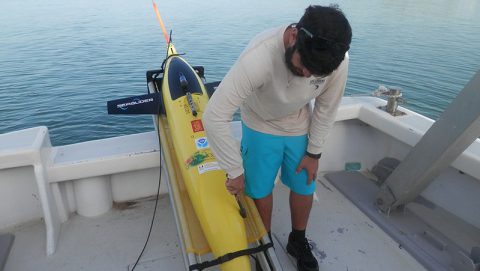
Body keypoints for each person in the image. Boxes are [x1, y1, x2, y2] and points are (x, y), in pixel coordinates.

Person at [203, 5, 351, 271]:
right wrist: (234, 170)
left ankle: (298, 239)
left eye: (316, 74)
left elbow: (327, 108)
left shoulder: (336, 60)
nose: (308, 75)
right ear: (294, 36)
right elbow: (214, 115)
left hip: (299, 124)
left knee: (305, 184)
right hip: (260, 123)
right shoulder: (258, 58)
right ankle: (264, 244)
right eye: (304, 65)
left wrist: (314, 153)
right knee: (259, 190)